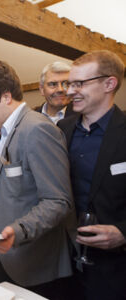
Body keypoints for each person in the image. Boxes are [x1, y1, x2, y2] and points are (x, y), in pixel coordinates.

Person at [0, 60, 74, 299]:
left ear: (5, 97)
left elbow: (57, 201)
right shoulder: (5, 130)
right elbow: (17, 187)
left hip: (30, 258)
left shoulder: (36, 130)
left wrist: (17, 230)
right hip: (2, 252)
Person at [57, 50, 126, 300]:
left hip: (114, 271)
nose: (70, 91)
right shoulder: (62, 129)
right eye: (69, 83)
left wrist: (123, 233)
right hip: (64, 264)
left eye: (79, 84)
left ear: (109, 83)